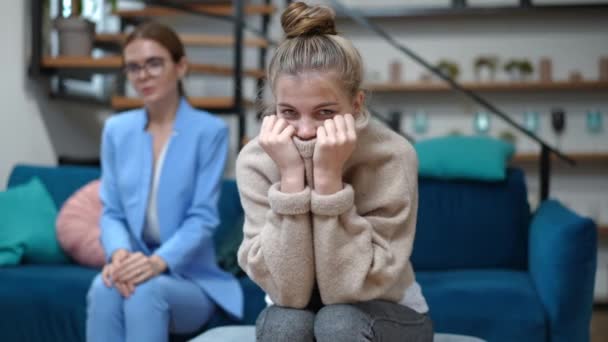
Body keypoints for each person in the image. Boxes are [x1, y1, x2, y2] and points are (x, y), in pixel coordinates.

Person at [233, 2, 433, 341]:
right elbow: (288, 295)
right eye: (289, 112)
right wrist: (292, 182)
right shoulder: (256, 160)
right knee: (283, 325)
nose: (306, 130)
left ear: (356, 104)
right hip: (299, 309)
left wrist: (327, 182)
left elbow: (348, 289)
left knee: (338, 322)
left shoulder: (392, 156)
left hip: (386, 308)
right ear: (273, 106)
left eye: (325, 112)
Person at [86, 22, 242, 342]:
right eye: (133, 67)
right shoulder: (117, 130)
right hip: (133, 263)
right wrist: (119, 257)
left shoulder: (209, 132)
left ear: (180, 66)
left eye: (154, 63)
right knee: (102, 287)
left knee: (145, 291)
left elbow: (202, 217)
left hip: (190, 278)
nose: (142, 75)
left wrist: (157, 263)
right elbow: (111, 211)